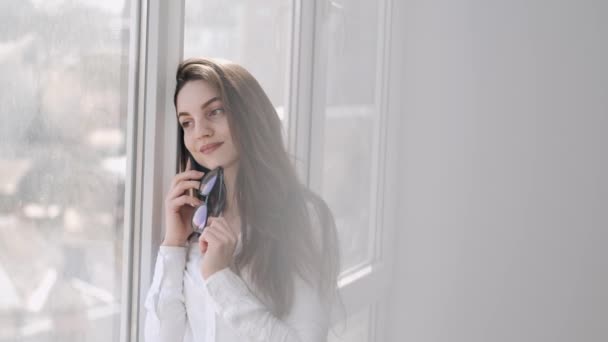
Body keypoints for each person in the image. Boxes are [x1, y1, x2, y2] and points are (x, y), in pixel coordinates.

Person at [144, 58, 341, 341]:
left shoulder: (301, 216)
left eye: (215, 111)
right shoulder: (195, 222)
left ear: (248, 114)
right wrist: (173, 244)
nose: (200, 131)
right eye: (187, 122)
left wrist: (219, 278)